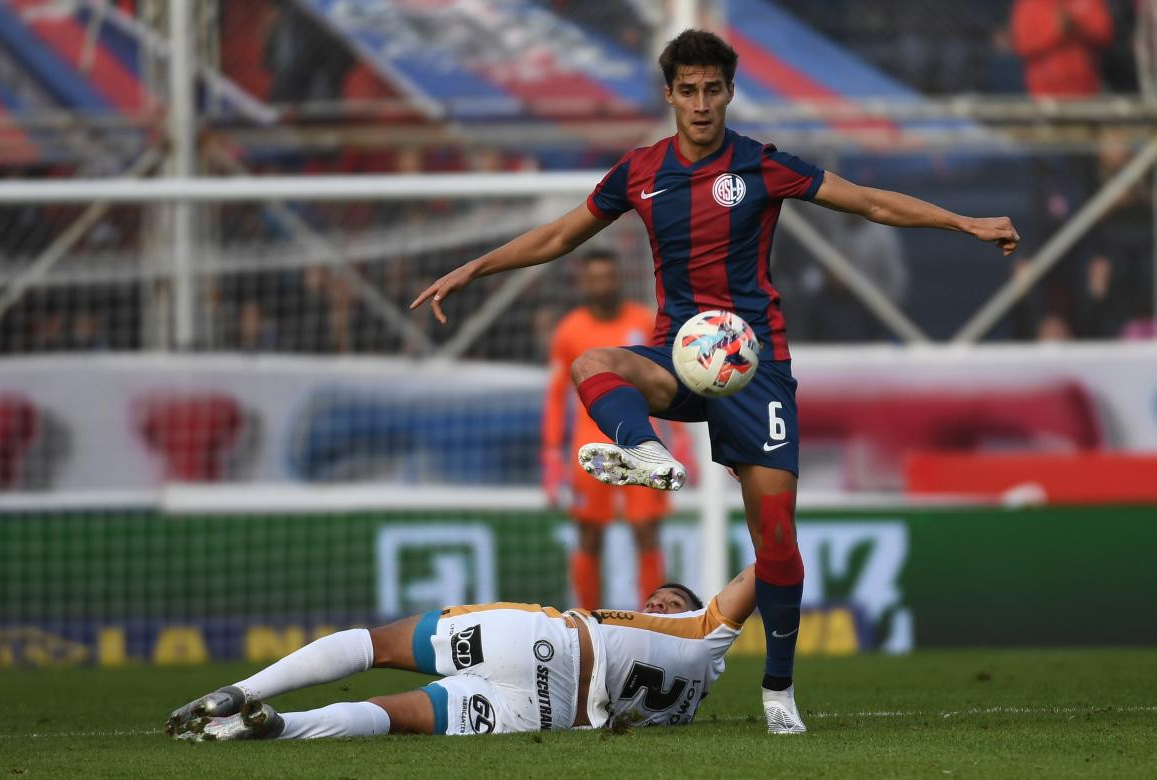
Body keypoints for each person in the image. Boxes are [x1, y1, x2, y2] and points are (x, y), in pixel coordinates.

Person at [411, 29, 1020, 733]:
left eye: (712, 90)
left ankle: (779, 692)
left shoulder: (762, 165)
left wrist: (964, 221)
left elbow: (870, 203)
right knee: (592, 364)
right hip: (679, 357)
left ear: (729, 92)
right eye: (688, 90)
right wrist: (473, 267)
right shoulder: (638, 171)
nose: (701, 104)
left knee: (778, 543)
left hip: (755, 372)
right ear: (669, 95)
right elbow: (557, 237)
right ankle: (643, 451)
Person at [165, 565, 756, 740]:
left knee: (380, 651)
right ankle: (264, 724)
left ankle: (249, 697)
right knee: (391, 716)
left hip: (544, 645)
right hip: (549, 715)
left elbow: (768, 564)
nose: (655, 608)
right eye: (652, 600)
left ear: (691, 608)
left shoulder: (708, 632)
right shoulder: (686, 702)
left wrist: (764, 481)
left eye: (667, 602)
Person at [543, 249, 691, 610]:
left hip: (643, 443)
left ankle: (654, 624)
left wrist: (682, 438)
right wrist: (550, 453)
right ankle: (589, 621)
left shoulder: (643, 320)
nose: (602, 285)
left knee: (646, 532)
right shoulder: (569, 331)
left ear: (619, 279)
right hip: (588, 446)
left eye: (608, 277)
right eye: (594, 278)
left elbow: (664, 382)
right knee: (590, 535)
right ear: (583, 283)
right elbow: (556, 395)